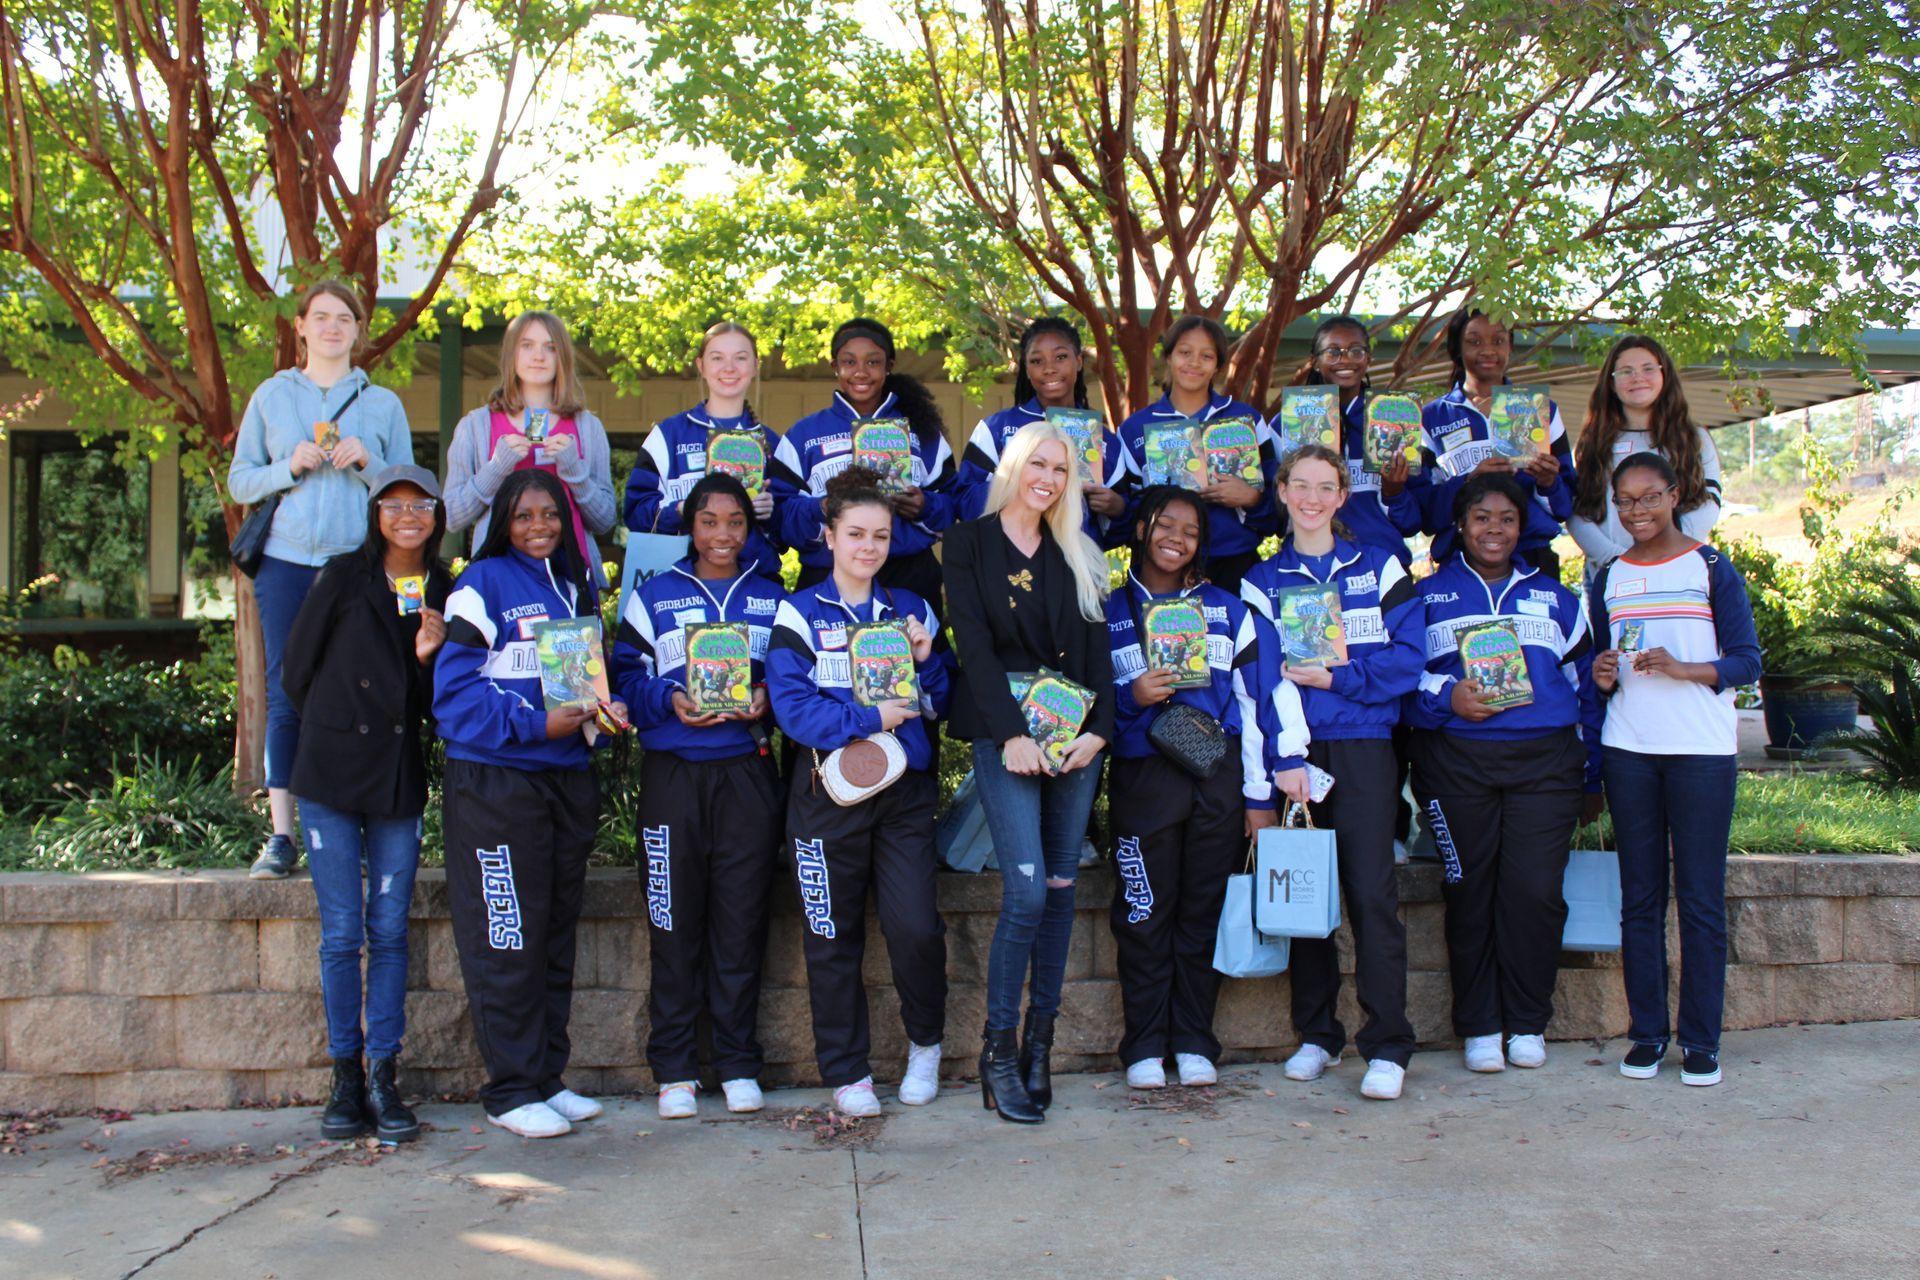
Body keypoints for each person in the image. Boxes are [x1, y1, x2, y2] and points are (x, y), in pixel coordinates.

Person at [433, 469, 625, 1138]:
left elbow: (578, 690)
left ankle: (545, 1076)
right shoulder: (479, 587)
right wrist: (535, 726)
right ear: (501, 523)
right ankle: (510, 1089)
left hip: (563, 780)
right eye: (523, 515)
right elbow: (454, 699)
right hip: (496, 785)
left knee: (550, 934)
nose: (538, 526)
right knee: (506, 934)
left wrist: (603, 712)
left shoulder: (575, 588)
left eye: (550, 514)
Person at [1241, 444, 1425, 1101]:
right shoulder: (1261, 584)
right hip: (1301, 757)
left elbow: (1410, 661)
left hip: (1368, 748)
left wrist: (1339, 677)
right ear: (1283, 492)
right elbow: (1262, 681)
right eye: (1301, 485)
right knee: (1305, 898)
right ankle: (1317, 1035)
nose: (1313, 498)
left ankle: (1387, 1044)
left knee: (1373, 896)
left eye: (1327, 486)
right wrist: (1285, 760)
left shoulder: (1379, 567)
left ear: (1343, 496)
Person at [767, 467, 952, 1118]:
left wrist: (928, 660)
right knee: (829, 933)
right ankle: (848, 1073)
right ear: (829, 537)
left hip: (903, 791)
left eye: (879, 535)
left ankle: (925, 1045)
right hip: (826, 792)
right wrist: (870, 718)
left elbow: (944, 702)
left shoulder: (912, 609)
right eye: (855, 534)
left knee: (915, 928)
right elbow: (794, 710)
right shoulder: (798, 611)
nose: (868, 547)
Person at [943, 423, 1114, 1123]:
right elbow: (974, 650)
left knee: (1062, 889)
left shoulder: (1078, 550)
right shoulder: (967, 543)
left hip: (1073, 737)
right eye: (1037, 463)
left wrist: (1100, 731)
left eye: (1060, 469)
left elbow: (1098, 655)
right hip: (1005, 732)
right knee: (1025, 895)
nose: (1047, 477)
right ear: (1014, 466)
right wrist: (1011, 735)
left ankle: (1041, 1047)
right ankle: (999, 1054)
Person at [1407, 473, 1604, 1074]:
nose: (1494, 529)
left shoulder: (1555, 597)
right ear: (1460, 526)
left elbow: (1588, 686)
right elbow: (1401, 683)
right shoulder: (1427, 597)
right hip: (1456, 763)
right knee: (1469, 893)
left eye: (1507, 519)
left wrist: (1593, 773)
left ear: (1523, 528)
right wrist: (1448, 700)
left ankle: (1526, 1021)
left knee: (1535, 894)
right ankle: (1480, 1026)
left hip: (1545, 766)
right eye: (1481, 518)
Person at [1104, 485, 1297, 1090]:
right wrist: (1128, 697)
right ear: (1140, 529)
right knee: (1142, 913)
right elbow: (1077, 700)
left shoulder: (1229, 610)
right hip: (1144, 778)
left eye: (1190, 531)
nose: (1177, 539)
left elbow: (1256, 701)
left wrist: (1259, 799)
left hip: (1217, 778)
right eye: (1166, 525)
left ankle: (1192, 1040)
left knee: (1200, 914)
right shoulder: (1106, 610)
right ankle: (1142, 1045)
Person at [281, 464, 452, 1144]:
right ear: (376, 512)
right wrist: (332, 726)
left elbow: (430, 704)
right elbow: (297, 669)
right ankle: (344, 1074)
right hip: (328, 773)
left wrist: (422, 657)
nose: (408, 515)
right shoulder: (342, 574)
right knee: (342, 932)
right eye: (394, 504)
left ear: (437, 514)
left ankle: (384, 1073)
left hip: (394, 773)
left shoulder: (440, 587)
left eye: (421, 504)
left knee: (388, 930)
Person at [610, 473, 785, 1119]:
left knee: (740, 922)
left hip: (745, 773)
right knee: (672, 920)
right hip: (673, 776)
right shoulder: (652, 597)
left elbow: (789, 675)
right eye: (709, 521)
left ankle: (739, 1062)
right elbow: (623, 675)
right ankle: (675, 1067)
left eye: (734, 522)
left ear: (750, 528)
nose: (721, 534)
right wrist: (668, 698)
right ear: (690, 526)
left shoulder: (770, 598)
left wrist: (768, 698)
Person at [228, 280, 415, 880]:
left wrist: (370, 466)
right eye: (322, 317)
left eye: (345, 319)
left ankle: (351, 827)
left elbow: (407, 493)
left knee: (362, 691)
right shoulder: (272, 396)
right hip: (285, 562)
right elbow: (240, 483)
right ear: (302, 327)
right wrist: (289, 466)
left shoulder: (381, 403)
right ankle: (282, 835)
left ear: (358, 331)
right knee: (287, 691)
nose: (334, 327)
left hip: (354, 565)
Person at [1589, 452, 1762, 1088]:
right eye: (1626, 501)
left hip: (1701, 754)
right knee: (1640, 900)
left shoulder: (1711, 567)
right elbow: (1604, 670)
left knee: (1698, 900)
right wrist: (1602, 675)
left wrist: (1686, 668)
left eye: (1649, 497)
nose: (1637, 511)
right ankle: (1647, 1035)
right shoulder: (1608, 575)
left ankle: (1701, 1041)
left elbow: (1747, 661)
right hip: (1629, 750)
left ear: (1675, 494)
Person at [769, 318, 956, 604]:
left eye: (872, 362)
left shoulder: (921, 431)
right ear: (835, 367)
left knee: (916, 649)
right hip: (827, 575)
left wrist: (924, 506)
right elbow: (780, 517)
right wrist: (822, 507)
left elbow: (954, 503)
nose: (860, 372)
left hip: (908, 576)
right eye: (849, 362)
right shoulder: (804, 435)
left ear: (888, 366)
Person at [443, 309, 619, 584]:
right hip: (500, 580)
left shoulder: (587, 427)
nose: (538, 356)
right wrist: (496, 468)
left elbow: (604, 520)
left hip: (571, 579)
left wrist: (574, 470)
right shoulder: (476, 426)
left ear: (563, 358)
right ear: (510, 355)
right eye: (527, 346)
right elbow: (452, 516)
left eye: (550, 347)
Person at [1115, 315, 1278, 592]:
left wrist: (1252, 499)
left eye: (1206, 356)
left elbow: (1280, 506)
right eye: (1184, 352)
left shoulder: (1246, 420)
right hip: (1160, 571)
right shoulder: (1134, 429)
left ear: (1217, 365)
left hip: (1235, 567)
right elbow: (1126, 517)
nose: (1194, 363)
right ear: (1168, 356)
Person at [1416, 309, 1575, 579]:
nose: (1488, 350)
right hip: (1459, 560)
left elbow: (1565, 506)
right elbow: (1423, 511)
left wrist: (1549, 483)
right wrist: (1468, 480)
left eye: (1498, 341)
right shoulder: (1431, 417)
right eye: (1474, 341)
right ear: (1456, 348)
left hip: (1531, 558)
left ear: (1510, 346)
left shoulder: (1540, 410)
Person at [622, 321, 783, 577]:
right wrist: (681, 510)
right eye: (717, 358)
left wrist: (771, 513)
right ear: (701, 366)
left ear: (755, 365)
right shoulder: (668, 436)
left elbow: (790, 532)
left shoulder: (772, 443)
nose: (729, 368)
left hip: (753, 586)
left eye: (740, 358)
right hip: (676, 583)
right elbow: (635, 513)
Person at [953, 317, 1127, 544]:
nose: (1049, 369)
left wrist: (1117, 508)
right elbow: (964, 503)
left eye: (1061, 357)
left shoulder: (1105, 440)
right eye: (1036, 361)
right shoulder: (995, 429)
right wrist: (1016, 484)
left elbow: (1125, 527)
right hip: (1007, 563)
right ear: (1025, 368)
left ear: (1079, 361)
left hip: (1077, 566)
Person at [1278, 316, 1428, 566]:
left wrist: (1394, 492)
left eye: (1356, 351)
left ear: (1368, 359)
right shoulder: (1287, 423)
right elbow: (1275, 516)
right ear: (1315, 362)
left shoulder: (1396, 419)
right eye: (1333, 352)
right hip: (1311, 567)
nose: (1345, 359)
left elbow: (1413, 522)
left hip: (1382, 567)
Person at [1568, 335, 1723, 571]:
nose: (1637, 377)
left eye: (1648, 368)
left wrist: (1669, 550)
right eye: (1626, 371)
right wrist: (1613, 558)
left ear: (1664, 374)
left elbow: (1710, 500)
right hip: (1608, 572)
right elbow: (1577, 510)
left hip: (1677, 568)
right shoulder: (1592, 441)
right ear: (1611, 382)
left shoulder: (1694, 438)